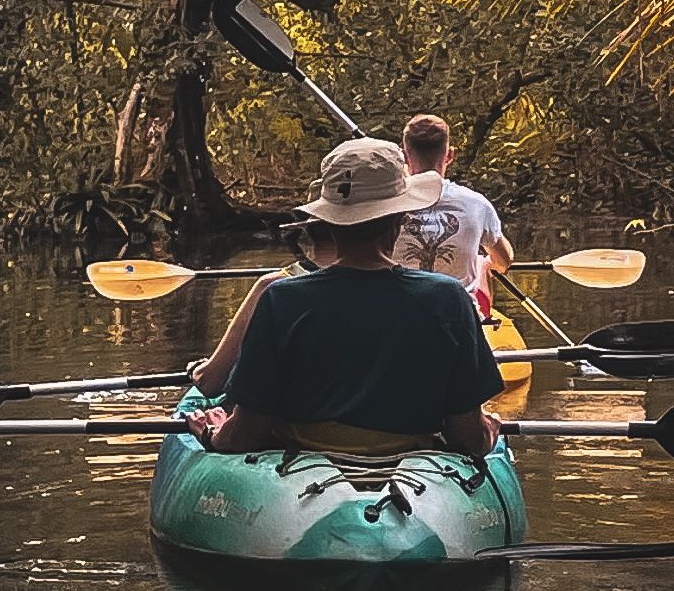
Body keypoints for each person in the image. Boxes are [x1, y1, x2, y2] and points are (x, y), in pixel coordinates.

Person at [188, 137, 505, 456]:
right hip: (413, 463)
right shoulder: (448, 298)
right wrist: (488, 433)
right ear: (400, 220)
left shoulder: (281, 298)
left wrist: (212, 432)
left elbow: (243, 436)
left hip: (303, 471)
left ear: (327, 223)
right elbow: (468, 439)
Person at [389, 112, 513, 315]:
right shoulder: (477, 204)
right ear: (450, 155)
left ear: (404, 156)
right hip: (459, 320)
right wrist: (484, 265)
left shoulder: (386, 207)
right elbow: (505, 260)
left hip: (402, 319)